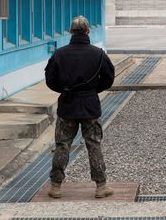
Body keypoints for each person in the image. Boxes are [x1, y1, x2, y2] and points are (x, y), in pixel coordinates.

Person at [45, 16, 116, 199]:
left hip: (67, 105)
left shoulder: (59, 54)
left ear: (70, 32)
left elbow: (50, 81)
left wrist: (65, 90)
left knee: (62, 145)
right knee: (94, 145)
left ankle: (56, 186)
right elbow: (108, 79)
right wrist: (93, 90)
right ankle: (101, 186)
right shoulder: (98, 54)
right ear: (88, 31)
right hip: (90, 106)